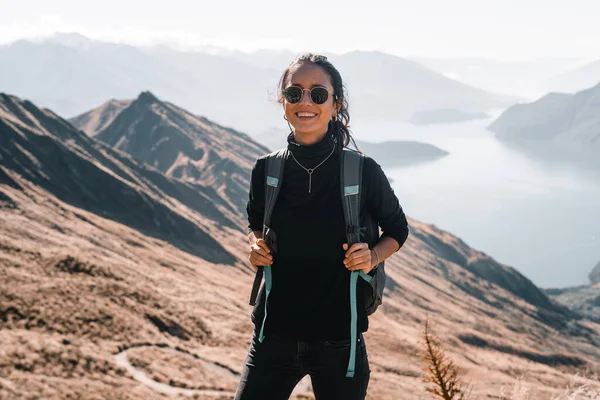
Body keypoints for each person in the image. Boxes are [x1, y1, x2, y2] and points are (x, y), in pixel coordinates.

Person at [235, 53, 409, 400]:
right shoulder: (265, 170)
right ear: (283, 102)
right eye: (294, 93)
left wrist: (373, 256)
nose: (305, 102)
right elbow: (255, 224)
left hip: (339, 341)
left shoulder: (362, 171)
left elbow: (397, 230)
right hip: (273, 337)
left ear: (335, 104)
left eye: (318, 94)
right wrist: (254, 245)